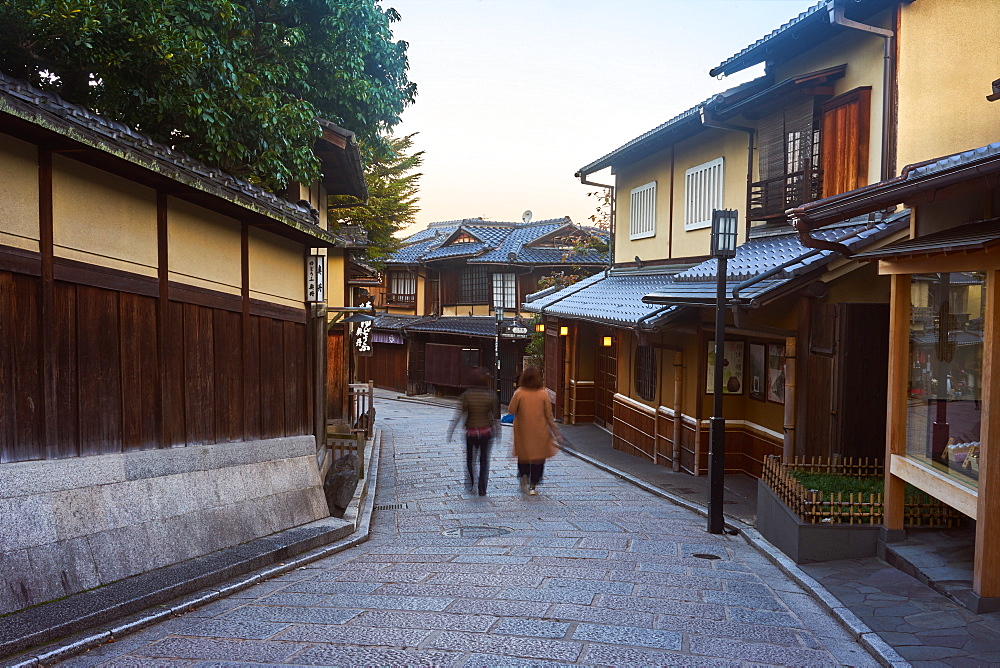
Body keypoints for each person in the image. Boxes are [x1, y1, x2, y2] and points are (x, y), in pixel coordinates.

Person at [508, 366, 562, 495]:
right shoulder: (543, 393)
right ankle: (533, 486)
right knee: (538, 458)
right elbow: (549, 415)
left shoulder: (519, 392)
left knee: (524, 456)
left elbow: (511, 410)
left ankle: (524, 475)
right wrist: (556, 432)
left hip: (523, 431)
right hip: (540, 432)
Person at [447, 368, 499, 496]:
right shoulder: (491, 395)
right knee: (484, 460)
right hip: (486, 432)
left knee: (470, 459)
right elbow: (496, 416)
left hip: (471, 432)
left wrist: (451, 430)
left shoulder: (467, 395)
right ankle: (482, 488)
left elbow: (459, 414)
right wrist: (498, 433)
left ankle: (471, 481)